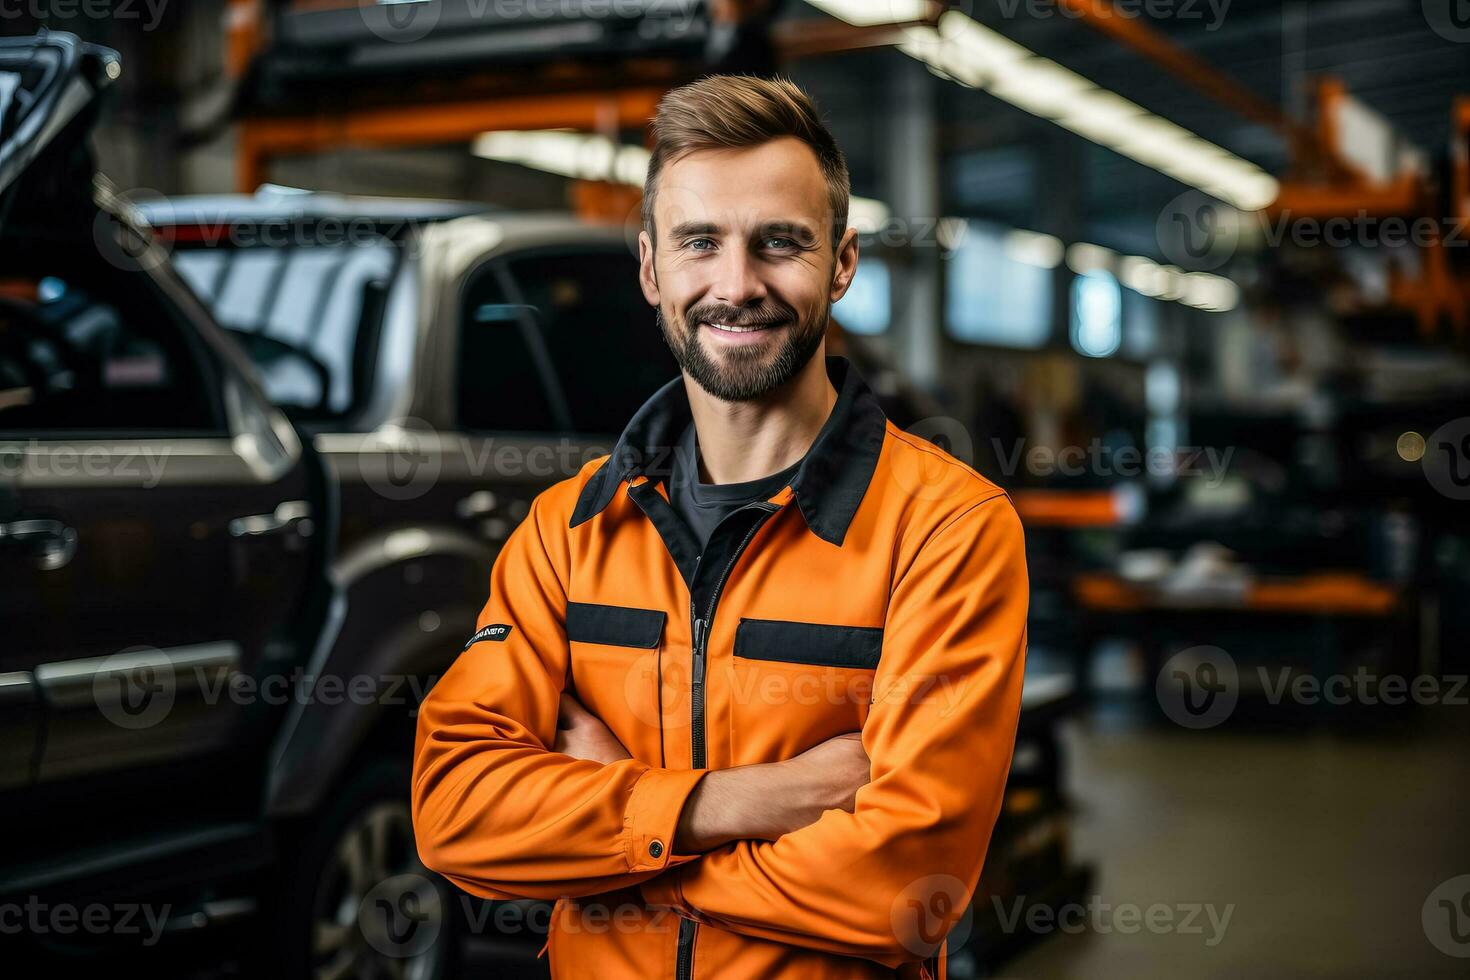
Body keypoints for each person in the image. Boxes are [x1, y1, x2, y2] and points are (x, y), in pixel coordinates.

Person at [411, 75, 1029, 980]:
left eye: (780, 244)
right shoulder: (568, 531)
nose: (736, 286)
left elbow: (906, 882)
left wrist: (614, 853)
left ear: (843, 263)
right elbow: (457, 811)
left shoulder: (946, 532)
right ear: (653, 269)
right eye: (701, 243)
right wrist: (746, 802)